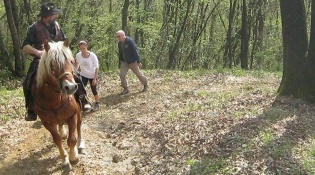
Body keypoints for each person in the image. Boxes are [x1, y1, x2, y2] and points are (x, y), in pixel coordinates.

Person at [22, 2, 91, 121]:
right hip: (42, 59)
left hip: (60, 58)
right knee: (28, 81)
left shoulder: (57, 25)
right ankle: (31, 109)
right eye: (54, 14)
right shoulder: (34, 28)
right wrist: (38, 52)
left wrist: (69, 57)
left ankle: (83, 99)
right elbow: (25, 46)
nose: (56, 16)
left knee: (76, 75)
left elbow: (65, 43)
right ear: (47, 16)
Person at [115, 30, 148, 95]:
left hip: (132, 61)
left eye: (119, 36)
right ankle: (125, 88)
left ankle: (145, 84)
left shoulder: (130, 42)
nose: (118, 38)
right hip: (124, 62)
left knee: (138, 74)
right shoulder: (119, 43)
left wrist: (138, 61)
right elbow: (120, 52)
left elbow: (135, 51)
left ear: (123, 35)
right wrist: (121, 59)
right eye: (117, 37)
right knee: (122, 74)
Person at [74, 41, 100, 111]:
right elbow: (77, 63)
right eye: (81, 49)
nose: (82, 50)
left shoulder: (92, 56)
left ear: (87, 47)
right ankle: (84, 103)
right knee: (80, 89)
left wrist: (95, 79)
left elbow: (97, 67)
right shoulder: (78, 55)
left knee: (94, 90)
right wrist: (75, 71)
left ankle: (97, 103)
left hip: (92, 75)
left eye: (84, 48)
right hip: (83, 75)